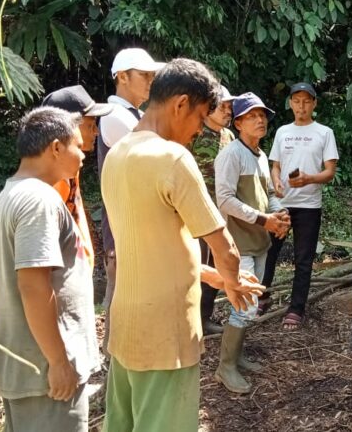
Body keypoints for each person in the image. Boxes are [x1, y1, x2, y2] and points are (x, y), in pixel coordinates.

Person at [100, 58, 264, 431]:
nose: (199, 130)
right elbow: (225, 247)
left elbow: (147, 247)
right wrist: (235, 281)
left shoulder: (117, 155)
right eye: (200, 116)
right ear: (180, 104)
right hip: (166, 336)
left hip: (126, 328)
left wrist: (211, 277)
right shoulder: (172, 158)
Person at [0, 107, 100, 431]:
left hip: (32, 367)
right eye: (77, 146)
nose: (83, 155)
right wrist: (57, 361)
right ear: (55, 147)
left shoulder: (15, 191)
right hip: (45, 374)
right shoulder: (39, 200)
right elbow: (33, 285)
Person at [214, 92, 291, 393]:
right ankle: (225, 367)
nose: (261, 120)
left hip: (258, 241)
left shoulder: (259, 155)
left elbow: (269, 193)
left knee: (248, 303)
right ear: (238, 123)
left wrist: (278, 215)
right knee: (244, 305)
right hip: (238, 243)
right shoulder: (231, 154)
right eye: (252, 116)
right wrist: (264, 220)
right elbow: (225, 200)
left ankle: (237, 356)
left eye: (263, 115)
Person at [97, 48, 164, 354]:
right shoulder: (115, 115)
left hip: (135, 221)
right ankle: (113, 359)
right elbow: (158, 150)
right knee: (121, 293)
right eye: (145, 75)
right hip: (123, 223)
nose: (151, 81)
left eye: (153, 76)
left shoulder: (132, 114)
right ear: (122, 77)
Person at [261, 82, 338, 330]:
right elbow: (275, 165)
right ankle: (263, 296)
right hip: (282, 203)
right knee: (269, 252)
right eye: (297, 101)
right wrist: (275, 182)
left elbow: (329, 172)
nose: (301, 106)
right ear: (291, 103)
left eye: (306, 101)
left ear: (314, 104)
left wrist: (309, 179)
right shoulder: (283, 131)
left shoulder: (324, 132)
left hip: (309, 205)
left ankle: (296, 308)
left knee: (303, 259)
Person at [42, 85, 113, 270]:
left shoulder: (69, 167)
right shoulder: (50, 178)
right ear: (68, 127)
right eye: (90, 125)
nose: (96, 132)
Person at [189, 85, 237, 336]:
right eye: (222, 106)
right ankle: (189, 319)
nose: (228, 111)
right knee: (196, 266)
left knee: (217, 265)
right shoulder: (194, 133)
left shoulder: (228, 137)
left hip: (221, 212)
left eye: (230, 107)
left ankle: (205, 317)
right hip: (195, 213)